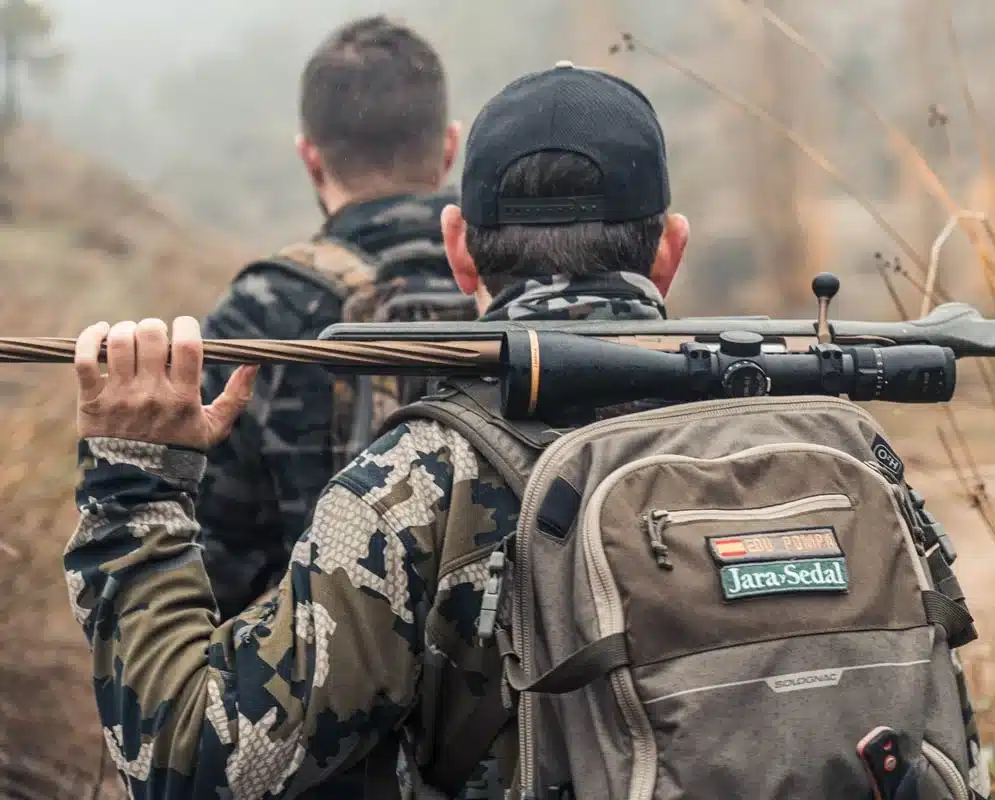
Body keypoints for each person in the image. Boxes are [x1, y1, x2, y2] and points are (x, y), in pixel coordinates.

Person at [66, 63, 688, 798]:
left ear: (459, 250)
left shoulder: (408, 488)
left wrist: (133, 483)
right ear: (670, 250)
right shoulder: (802, 442)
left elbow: (191, 762)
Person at [198, 15, 473, 623]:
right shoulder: (516, 283)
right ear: (451, 146)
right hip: (529, 671)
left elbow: (210, 570)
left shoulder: (263, 311)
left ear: (310, 158)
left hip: (330, 667)